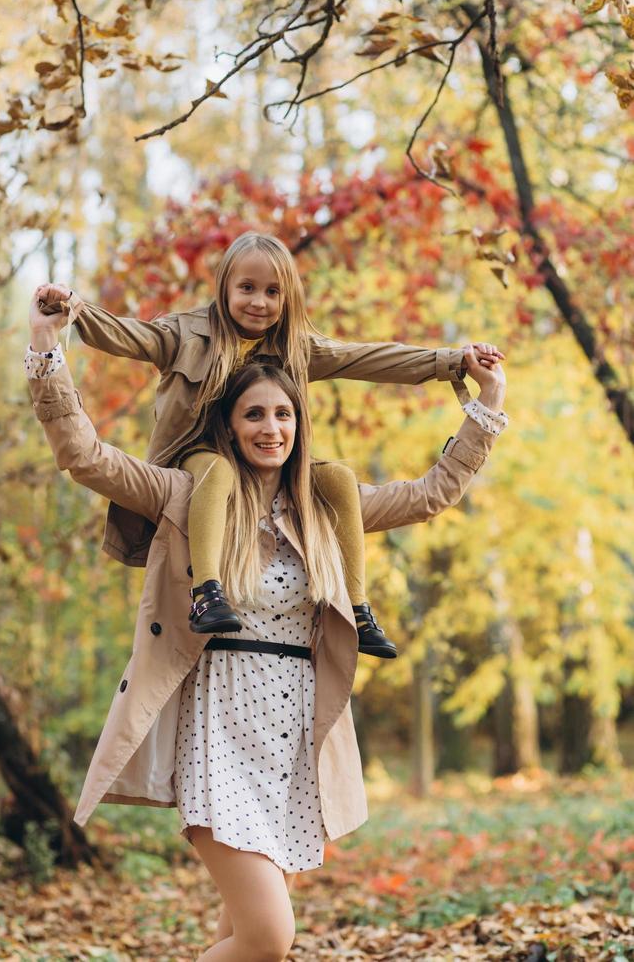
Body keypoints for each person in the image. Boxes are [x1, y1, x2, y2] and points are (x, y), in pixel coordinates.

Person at [26, 292, 508, 961]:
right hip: (216, 731)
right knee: (268, 937)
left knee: (240, 938)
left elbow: (429, 493)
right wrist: (48, 347)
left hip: (289, 742)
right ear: (228, 424)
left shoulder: (321, 509)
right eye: (254, 414)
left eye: (283, 414)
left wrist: (486, 401)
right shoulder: (184, 495)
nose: (271, 427)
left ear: (299, 423)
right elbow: (86, 457)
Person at [35, 231, 505, 661]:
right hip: (195, 463)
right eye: (247, 289)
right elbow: (125, 335)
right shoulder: (185, 333)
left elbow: (367, 357)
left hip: (287, 671)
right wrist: (72, 311)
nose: (259, 303)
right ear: (224, 288)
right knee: (216, 472)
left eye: (272, 292)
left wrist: (453, 362)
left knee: (337, 476)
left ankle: (356, 605)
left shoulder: (296, 348)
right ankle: (208, 591)